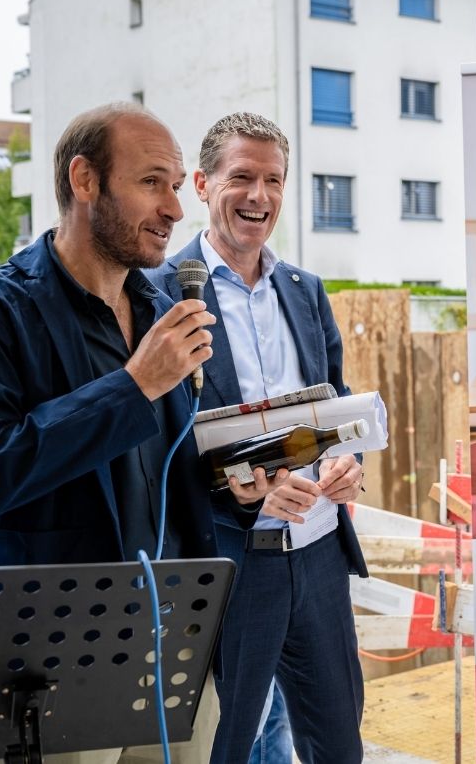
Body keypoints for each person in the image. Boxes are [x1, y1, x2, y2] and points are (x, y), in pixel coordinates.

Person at [0, 103, 281, 763]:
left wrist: (235, 485)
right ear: (85, 181)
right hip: (51, 658)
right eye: (153, 182)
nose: (176, 210)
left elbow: (170, 470)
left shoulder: (162, 310)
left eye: (177, 185)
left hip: (176, 635)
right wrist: (132, 387)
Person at [150, 111, 367, 764]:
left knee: (338, 747)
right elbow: (155, 450)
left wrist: (348, 462)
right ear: (202, 184)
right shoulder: (157, 294)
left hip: (320, 552)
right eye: (242, 176)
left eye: (274, 179)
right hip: (232, 565)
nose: (260, 196)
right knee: (225, 748)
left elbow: (333, 411)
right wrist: (242, 492)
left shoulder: (306, 290)